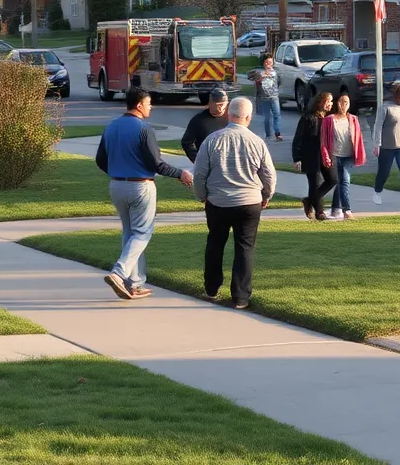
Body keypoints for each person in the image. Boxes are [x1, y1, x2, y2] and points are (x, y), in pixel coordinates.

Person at [95, 87, 193, 301]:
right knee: (142, 233)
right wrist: (181, 174)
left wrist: (117, 171)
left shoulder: (111, 127)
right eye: (149, 103)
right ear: (139, 105)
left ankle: (135, 284)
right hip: (141, 186)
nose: (151, 107)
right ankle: (119, 273)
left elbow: (101, 160)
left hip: (117, 186)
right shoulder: (144, 129)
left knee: (129, 233)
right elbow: (155, 163)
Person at [192, 97, 277, 309]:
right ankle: (240, 297)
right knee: (245, 247)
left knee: (215, 243)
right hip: (249, 202)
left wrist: (202, 195)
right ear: (248, 117)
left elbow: (199, 174)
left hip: (218, 201)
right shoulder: (257, 142)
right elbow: (269, 175)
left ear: (229, 114)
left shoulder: (212, 140)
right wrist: (266, 195)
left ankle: (211, 289)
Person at [292, 91, 336, 221]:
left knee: (333, 179)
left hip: (325, 156)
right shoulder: (308, 118)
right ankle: (320, 213)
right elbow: (298, 139)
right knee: (315, 183)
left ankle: (309, 200)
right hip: (311, 155)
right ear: (320, 102)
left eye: (331, 101)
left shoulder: (328, 119)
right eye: (329, 101)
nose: (330, 104)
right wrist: (296, 158)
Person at [321, 92, 365, 219]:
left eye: (346, 102)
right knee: (344, 181)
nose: (343, 105)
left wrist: (360, 154)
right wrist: (326, 156)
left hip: (348, 155)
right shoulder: (329, 120)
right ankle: (347, 210)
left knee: (342, 181)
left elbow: (358, 139)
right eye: (341, 102)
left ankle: (336, 209)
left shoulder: (353, 119)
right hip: (335, 154)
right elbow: (324, 140)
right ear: (337, 103)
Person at [180, 89, 229, 163]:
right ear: (210, 103)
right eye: (218, 105)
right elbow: (187, 142)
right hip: (207, 164)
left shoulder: (231, 118)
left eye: (223, 104)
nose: (221, 108)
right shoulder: (199, 120)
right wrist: (198, 161)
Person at [250, 56, 282, 142]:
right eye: (267, 62)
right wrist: (261, 76)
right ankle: (268, 134)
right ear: (264, 63)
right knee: (267, 117)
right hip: (264, 98)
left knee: (277, 115)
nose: (269, 64)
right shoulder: (260, 72)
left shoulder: (276, 72)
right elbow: (251, 77)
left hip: (274, 97)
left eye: (271, 62)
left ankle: (277, 134)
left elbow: (279, 82)